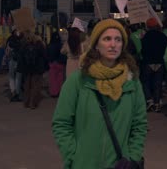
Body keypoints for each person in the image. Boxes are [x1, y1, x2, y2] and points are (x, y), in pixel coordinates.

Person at [52, 19, 147, 169]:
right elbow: (61, 123)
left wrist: (133, 157)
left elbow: (139, 125)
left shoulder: (132, 81)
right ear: (96, 44)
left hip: (120, 164)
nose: (113, 44)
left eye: (118, 39)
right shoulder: (78, 80)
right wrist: (73, 157)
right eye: (107, 39)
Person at [141, 17, 167, 112]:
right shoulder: (162, 36)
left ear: (148, 26)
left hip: (148, 62)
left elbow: (143, 50)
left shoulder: (145, 37)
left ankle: (149, 100)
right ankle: (157, 103)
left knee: (146, 82)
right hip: (160, 62)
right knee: (157, 84)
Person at [16, 30, 48, 109]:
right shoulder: (39, 44)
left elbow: (20, 57)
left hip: (27, 69)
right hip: (37, 68)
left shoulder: (24, 45)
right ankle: (33, 103)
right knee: (36, 85)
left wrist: (21, 68)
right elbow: (45, 56)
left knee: (27, 85)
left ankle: (26, 103)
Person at [48, 31, 67, 97]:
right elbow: (63, 54)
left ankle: (53, 92)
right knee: (60, 78)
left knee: (53, 79)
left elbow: (47, 54)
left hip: (52, 64)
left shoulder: (50, 45)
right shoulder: (60, 45)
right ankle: (59, 91)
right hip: (60, 64)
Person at [6, 29, 23, 102]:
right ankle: (17, 93)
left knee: (12, 77)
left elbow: (7, 50)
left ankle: (13, 92)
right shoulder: (22, 39)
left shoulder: (10, 39)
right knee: (18, 77)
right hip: (18, 61)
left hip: (12, 60)